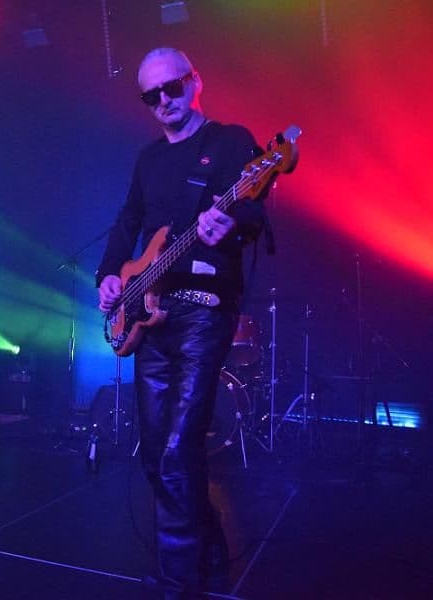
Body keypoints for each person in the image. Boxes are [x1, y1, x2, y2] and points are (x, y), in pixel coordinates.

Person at [96, 48, 265, 596]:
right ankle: (207, 547)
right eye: (151, 96)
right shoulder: (148, 159)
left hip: (205, 311)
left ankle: (178, 582)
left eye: (171, 88)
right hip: (151, 311)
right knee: (155, 451)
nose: (163, 101)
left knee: (177, 448)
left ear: (195, 81)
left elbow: (256, 209)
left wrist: (233, 223)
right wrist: (110, 275)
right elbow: (128, 222)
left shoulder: (231, 142)